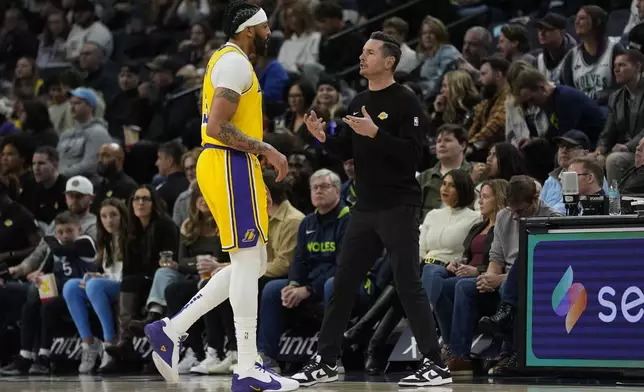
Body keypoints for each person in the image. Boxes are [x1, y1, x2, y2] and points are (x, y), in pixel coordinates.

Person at [143, 2, 296, 391]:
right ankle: (246, 366)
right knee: (247, 262)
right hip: (229, 163)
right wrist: (267, 149)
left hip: (232, 164)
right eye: (264, 27)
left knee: (255, 262)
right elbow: (216, 125)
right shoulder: (235, 63)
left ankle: (172, 329)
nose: (269, 33)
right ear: (248, 29)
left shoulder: (232, 61)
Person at [296, 31, 452, 387]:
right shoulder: (358, 101)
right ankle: (326, 360)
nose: (362, 57)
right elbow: (350, 150)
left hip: (399, 204)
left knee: (408, 282)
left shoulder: (406, 102)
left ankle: (436, 364)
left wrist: (375, 133)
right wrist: (324, 139)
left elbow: (416, 155)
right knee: (342, 283)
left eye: (369, 52)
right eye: (362, 52)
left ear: (389, 61)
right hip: (364, 207)